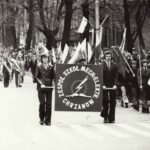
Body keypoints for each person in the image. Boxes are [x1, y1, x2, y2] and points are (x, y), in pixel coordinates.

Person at [35, 53, 55, 126]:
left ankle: (48, 120)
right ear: (41, 59)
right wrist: (41, 84)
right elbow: (36, 77)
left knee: (49, 104)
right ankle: (41, 119)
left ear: (48, 59)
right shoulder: (38, 66)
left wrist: (53, 84)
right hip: (41, 87)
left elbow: (53, 77)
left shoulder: (51, 67)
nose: (45, 60)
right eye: (43, 58)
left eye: (46, 58)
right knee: (42, 103)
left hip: (49, 87)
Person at [101, 50, 118, 123]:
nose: (108, 57)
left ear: (111, 57)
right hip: (104, 85)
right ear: (105, 57)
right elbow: (100, 76)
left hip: (112, 86)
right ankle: (105, 117)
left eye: (109, 56)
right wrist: (103, 85)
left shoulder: (115, 65)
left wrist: (115, 84)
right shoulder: (101, 65)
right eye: (107, 56)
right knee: (105, 101)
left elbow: (116, 76)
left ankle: (111, 118)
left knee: (113, 102)